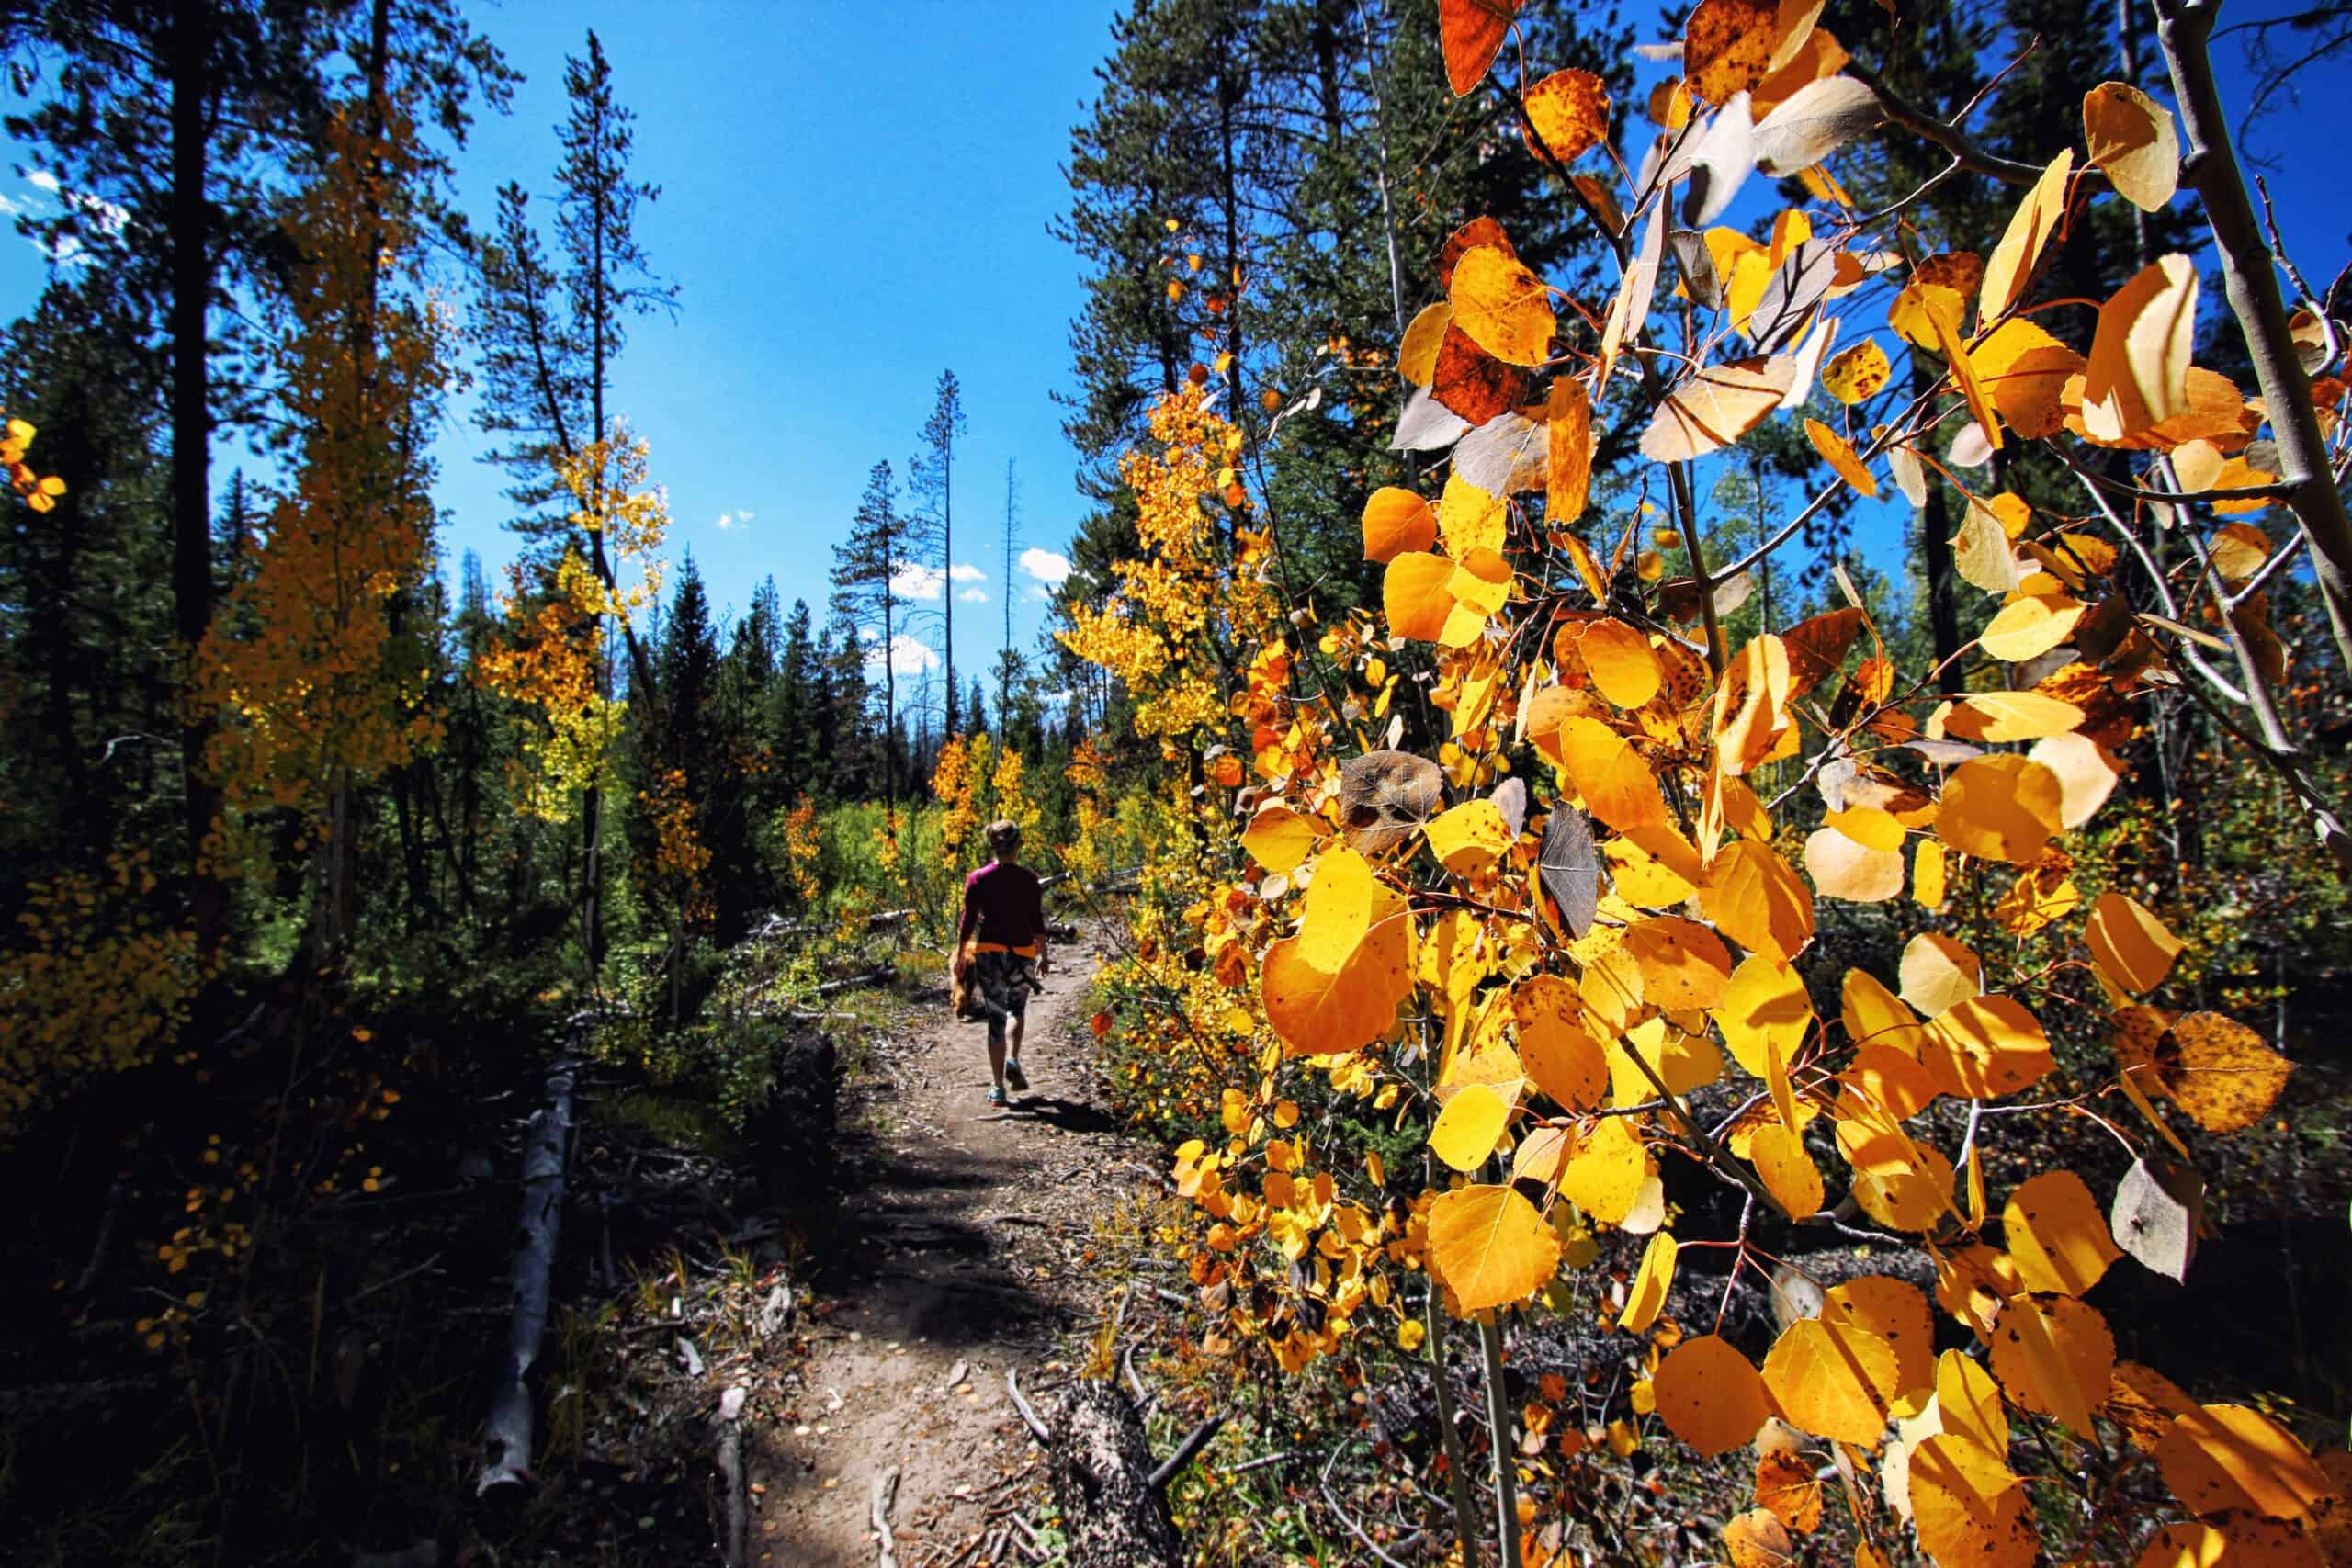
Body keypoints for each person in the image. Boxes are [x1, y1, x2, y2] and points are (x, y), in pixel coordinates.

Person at [955, 818, 1050, 1106]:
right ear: (1018, 846)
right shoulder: (1028, 879)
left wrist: (960, 955)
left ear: (993, 846)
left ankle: (997, 1088)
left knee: (995, 1018)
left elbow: (967, 920)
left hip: (989, 952)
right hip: (1022, 952)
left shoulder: (978, 879)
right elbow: (1036, 920)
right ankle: (1013, 1058)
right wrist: (1044, 953)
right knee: (1016, 1010)